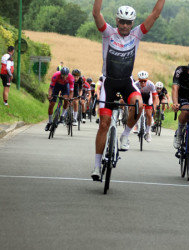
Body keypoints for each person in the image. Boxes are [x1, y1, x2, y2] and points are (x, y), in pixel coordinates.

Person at [91, 0, 165, 180]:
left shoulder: (136, 35)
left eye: (128, 22)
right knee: (104, 124)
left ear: (132, 23)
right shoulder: (108, 33)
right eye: (122, 21)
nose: (124, 25)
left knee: (139, 104)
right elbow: (95, 13)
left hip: (126, 82)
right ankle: (96, 166)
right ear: (116, 20)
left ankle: (125, 135)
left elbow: (155, 14)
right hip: (108, 82)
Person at [45, 67, 74, 131]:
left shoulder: (71, 78)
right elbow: (51, 88)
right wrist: (50, 95)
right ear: (60, 74)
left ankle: (62, 116)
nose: (64, 77)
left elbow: (71, 91)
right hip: (56, 86)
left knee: (66, 100)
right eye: (63, 75)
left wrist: (70, 99)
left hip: (65, 87)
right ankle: (49, 122)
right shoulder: (55, 76)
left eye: (65, 75)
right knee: (51, 104)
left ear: (68, 74)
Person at [134, 70, 158, 142]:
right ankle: (137, 125)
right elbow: (133, 96)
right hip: (139, 98)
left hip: (148, 98)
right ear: (139, 80)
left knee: (148, 114)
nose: (143, 83)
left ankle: (148, 132)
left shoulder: (151, 84)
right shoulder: (135, 84)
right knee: (136, 110)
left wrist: (154, 106)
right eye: (141, 81)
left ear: (147, 80)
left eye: (144, 81)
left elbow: (155, 97)